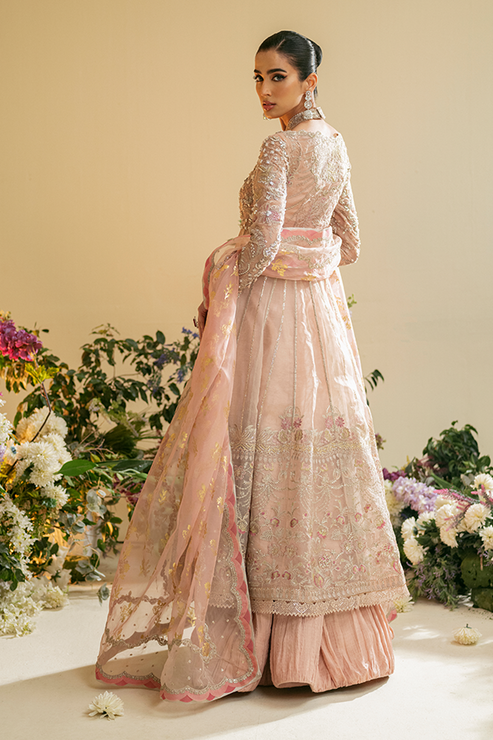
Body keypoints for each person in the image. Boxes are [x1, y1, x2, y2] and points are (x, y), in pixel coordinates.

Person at [96, 30, 408, 702]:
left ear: (309, 81)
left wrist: (220, 270)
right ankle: (331, 646)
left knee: (262, 446)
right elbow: (348, 241)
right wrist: (310, 260)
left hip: (271, 319)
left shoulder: (279, 148)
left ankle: (261, 643)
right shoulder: (335, 143)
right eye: (258, 78)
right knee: (314, 445)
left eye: (278, 77)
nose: (265, 91)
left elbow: (260, 247)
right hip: (320, 320)